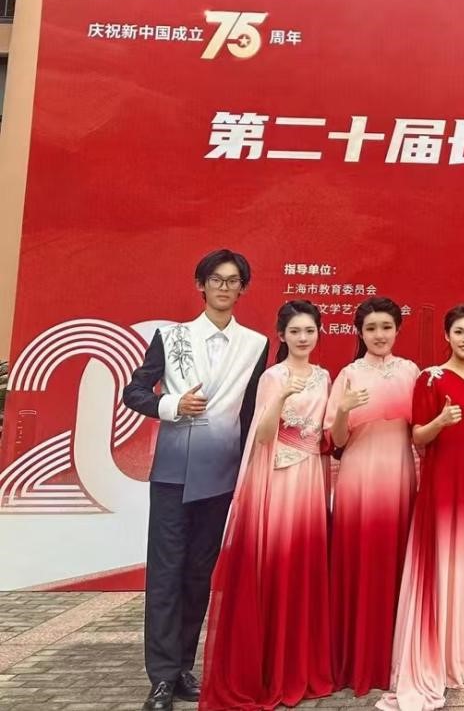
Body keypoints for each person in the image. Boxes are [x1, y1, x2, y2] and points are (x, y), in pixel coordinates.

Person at [122, 249, 269, 711]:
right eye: (216, 279)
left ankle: (183, 667)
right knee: (165, 574)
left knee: (198, 574)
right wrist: (171, 405)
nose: (224, 287)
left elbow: (250, 412)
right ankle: (161, 679)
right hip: (172, 475)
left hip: (221, 475)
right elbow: (135, 391)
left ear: (243, 288)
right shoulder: (171, 336)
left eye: (233, 280)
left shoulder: (256, 344)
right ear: (200, 285)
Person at [201, 300, 335, 711]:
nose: (302, 338)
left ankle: (299, 666)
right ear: (281, 336)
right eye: (295, 331)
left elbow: (326, 433)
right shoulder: (272, 377)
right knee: (274, 564)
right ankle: (268, 668)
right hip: (278, 479)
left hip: (310, 477)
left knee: (303, 567)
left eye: (309, 331)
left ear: (318, 333)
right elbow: (261, 436)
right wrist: (281, 399)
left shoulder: (325, 376)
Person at [380, 304, 464, 711]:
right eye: (459, 332)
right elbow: (418, 437)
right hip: (442, 484)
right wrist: (441, 422)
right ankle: (438, 655)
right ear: (447, 336)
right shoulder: (430, 378)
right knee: (442, 565)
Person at [326, 297, 420, 696]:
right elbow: (336, 439)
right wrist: (343, 410)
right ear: (360, 333)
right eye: (371, 328)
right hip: (359, 479)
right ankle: (357, 659)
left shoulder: (412, 371)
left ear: (397, 329)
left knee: (396, 562)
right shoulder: (348, 375)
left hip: (399, 476)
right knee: (359, 564)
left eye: (386, 327)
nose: (380, 335)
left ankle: (396, 657)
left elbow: (421, 431)